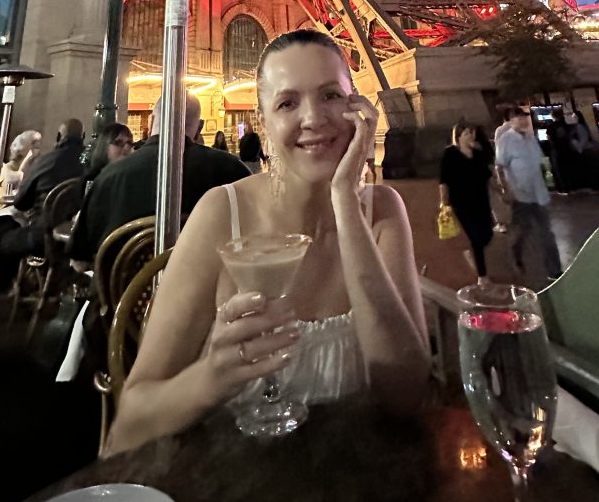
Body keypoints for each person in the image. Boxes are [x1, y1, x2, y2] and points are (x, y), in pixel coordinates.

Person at [106, 30, 429, 453]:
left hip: (355, 485)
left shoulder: (383, 211)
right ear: (264, 121)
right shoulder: (221, 214)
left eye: (331, 95)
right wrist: (213, 376)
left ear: (359, 109)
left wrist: (345, 198)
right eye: (288, 102)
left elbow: (404, 395)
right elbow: (127, 427)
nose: (313, 118)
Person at [70, 96, 249, 265]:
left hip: (120, 295)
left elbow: (79, 260)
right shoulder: (231, 171)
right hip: (205, 295)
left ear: (151, 120)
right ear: (200, 127)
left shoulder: (108, 177)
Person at [0, 118, 85, 323]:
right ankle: (29, 289)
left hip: (45, 236)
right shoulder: (89, 161)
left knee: (7, 245)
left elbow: (22, 202)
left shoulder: (46, 161)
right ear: (83, 137)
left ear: (59, 137)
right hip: (79, 237)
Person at [495, 106, 563, 282]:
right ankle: (516, 259)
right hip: (520, 195)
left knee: (546, 233)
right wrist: (506, 189)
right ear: (510, 121)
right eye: (518, 118)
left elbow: (539, 162)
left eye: (524, 117)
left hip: (538, 193)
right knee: (521, 232)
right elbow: (500, 166)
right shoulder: (506, 140)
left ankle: (555, 270)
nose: (522, 120)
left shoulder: (531, 138)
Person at [439, 121, 494, 276]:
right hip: (461, 203)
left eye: (472, 133)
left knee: (487, 236)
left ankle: (473, 255)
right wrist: (444, 201)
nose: (471, 136)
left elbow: (487, 175)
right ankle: (482, 277)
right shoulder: (450, 154)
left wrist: (501, 191)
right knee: (476, 239)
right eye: (467, 133)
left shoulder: (477, 154)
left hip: (482, 200)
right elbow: (444, 179)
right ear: (458, 137)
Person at [0, 128, 41, 238]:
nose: (37, 147)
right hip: (0, 217)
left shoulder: (34, 167)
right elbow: (14, 186)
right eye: (33, 143)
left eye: (38, 143)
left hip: (22, 216)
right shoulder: (8, 167)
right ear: (21, 148)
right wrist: (27, 159)